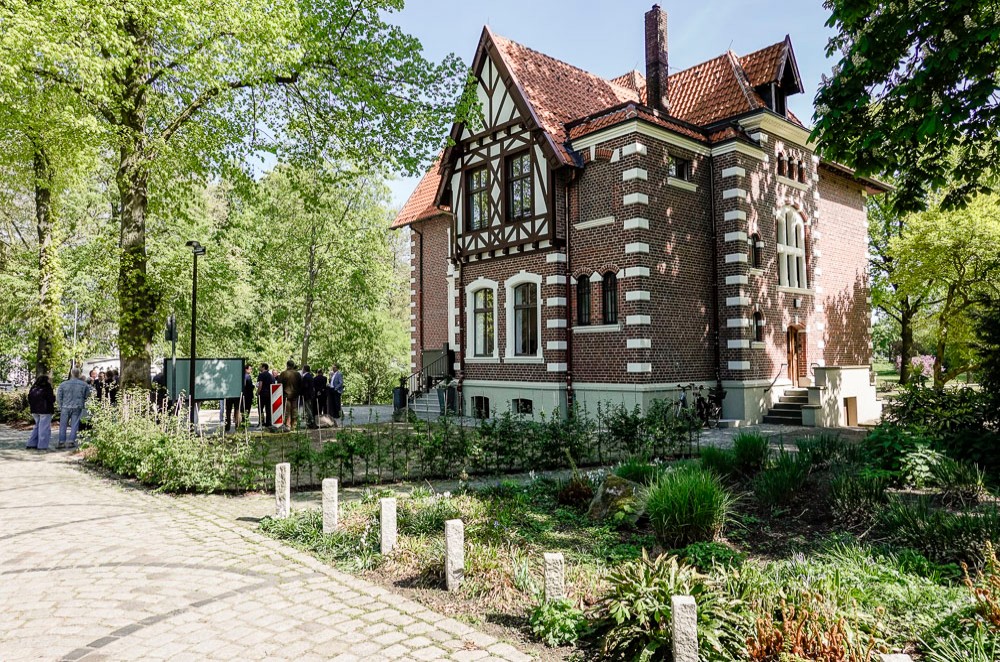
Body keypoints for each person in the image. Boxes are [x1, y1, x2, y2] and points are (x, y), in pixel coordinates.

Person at [56, 368, 91, 449]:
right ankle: (71, 441)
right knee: (75, 424)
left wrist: (60, 405)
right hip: (77, 406)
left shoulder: (63, 384)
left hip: (65, 406)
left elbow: (59, 396)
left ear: (71, 373)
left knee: (63, 424)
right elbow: (88, 395)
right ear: (79, 374)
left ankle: (61, 442)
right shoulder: (84, 384)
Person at [26, 374, 56, 451]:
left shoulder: (33, 388)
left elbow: (29, 398)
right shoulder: (47, 388)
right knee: (44, 428)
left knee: (37, 426)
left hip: (34, 410)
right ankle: (42, 445)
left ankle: (31, 443)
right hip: (45, 410)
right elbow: (51, 399)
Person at [278, 360, 302, 431]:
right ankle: (294, 425)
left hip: (286, 395)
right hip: (295, 395)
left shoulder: (283, 373)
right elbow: (300, 384)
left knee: (287, 411)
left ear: (287, 365)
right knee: (294, 410)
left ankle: (287, 425)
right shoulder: (297, 374)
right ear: (293, 365)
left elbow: (279, 383)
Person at [256, 362, 275, 429]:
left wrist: (257, 392)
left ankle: (261, 422)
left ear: (263, 367)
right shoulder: (271, 376)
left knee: (260, 409)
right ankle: (268, 423)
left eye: (260, 366)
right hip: (269, 394)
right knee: (268, 409)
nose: (259, 367)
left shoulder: (261, 375)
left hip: (262, 394)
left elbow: (260, 385)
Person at [301, 364, 316, 429]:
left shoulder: (306, 377)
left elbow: (305, 386)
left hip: (307, 395)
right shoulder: (310, 376)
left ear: (304, 369)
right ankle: (310, 422)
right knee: (309, 408)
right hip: (310, 395)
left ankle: (311, 422)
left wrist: (301, 392)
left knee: (308, 409)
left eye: (302, 369)